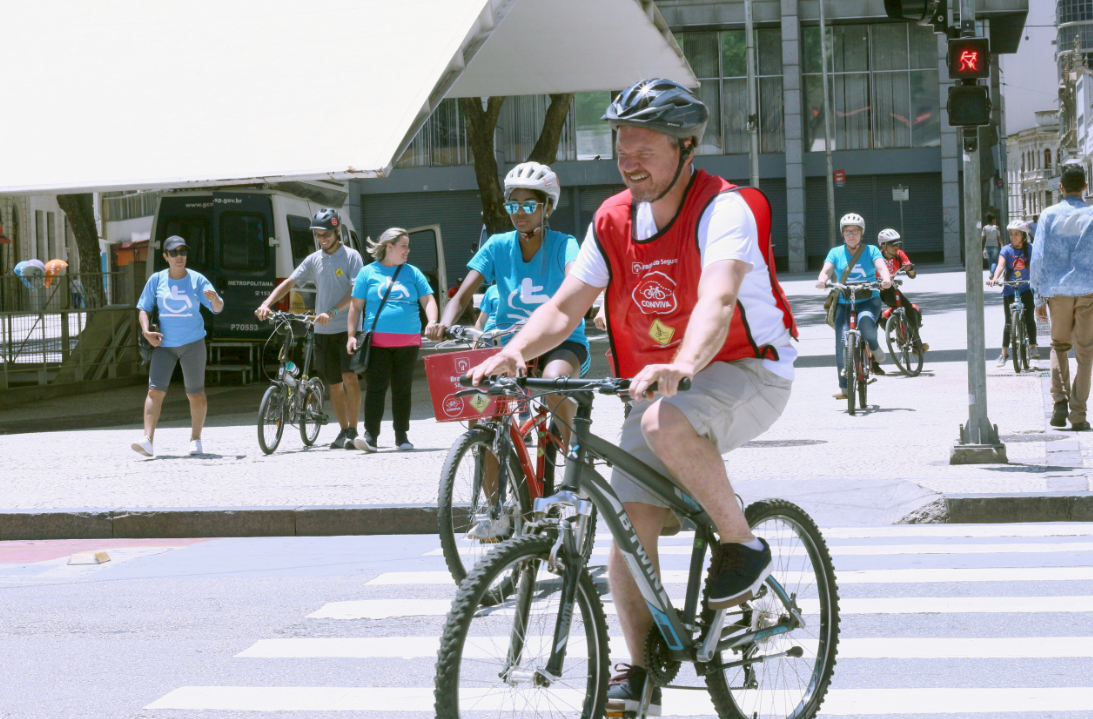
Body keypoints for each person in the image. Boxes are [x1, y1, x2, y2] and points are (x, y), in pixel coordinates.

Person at [464, 78, 798, 716]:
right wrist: (513, 351)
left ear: (686, 147)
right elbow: (565, 306)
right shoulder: (612, 219)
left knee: (666, 423)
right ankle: (639, 670)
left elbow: (718, 299)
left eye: (645, 146)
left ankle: (743, 543)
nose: (629, 158)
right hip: (660, 388)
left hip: (748, 368)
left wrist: (681, 363)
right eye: (622, 144)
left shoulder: (724, 209)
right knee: (628, 524)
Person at [429, 161, 591, 537]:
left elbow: (574, 282)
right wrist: (444, 321)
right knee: (481, 412)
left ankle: (576, 466)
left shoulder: (564, 244)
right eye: (513, 205)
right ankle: (499, 510)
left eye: (529, 205)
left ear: (547, 207)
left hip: (559, 340)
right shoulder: (497, 245)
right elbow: (464, 291)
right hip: (509, 345)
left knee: (553, 383)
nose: (520, 213)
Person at [256, 208, 364, 448]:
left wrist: (333, 311)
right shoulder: (314, 259)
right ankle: (343, 430)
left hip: (348, 328)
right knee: (334, 383)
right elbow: (289, 282)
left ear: (337, 232)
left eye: (326, 234)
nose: (322, 239)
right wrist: (266, 303)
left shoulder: (352, 256)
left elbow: (356, 292)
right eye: (318, 235)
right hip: (323, 331)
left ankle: (354, 431)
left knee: (349, 378)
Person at [346, 228, 438, 452]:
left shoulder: (413, 272)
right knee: (376, 388)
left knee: (402, 389)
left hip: (408, 341)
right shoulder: (368, 273)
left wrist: (432, 321)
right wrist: (350, 335)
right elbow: (355, 306)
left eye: (407, 246)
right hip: (377, 342)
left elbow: (428, 300)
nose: (408, 250)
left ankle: (402, 437)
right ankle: (371, 437)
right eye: (403, 246)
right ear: (389, 247)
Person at [132, 235, 224, 457]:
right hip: (164, 345)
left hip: (192, 343)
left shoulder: (197, 280)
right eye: (173, 252)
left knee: (196, 394)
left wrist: (214, 300)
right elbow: (143, 309)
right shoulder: (156, 279)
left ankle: (196, 439)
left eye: (182, 251)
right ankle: (147, 440)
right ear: (165, 256)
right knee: (154, 392)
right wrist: (146, 332)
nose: (179, 256)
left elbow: (218, 308)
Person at [1031, 163, 1093, 431]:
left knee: (1058, 345)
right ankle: (1078, 414)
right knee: (1086, 353)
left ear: (1060, 187)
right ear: (1085, 187)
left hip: (1056, 291)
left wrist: (1038, 296)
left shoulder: (1048, 215)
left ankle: (1059, 403)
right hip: (1088, 290)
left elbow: (1038, 257)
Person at [816, 213, 893, 395]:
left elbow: (881, 267)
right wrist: (821, 279)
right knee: (842, 341)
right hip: (844, 301)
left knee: (866, 322)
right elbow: (826, 270)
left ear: (862, 232)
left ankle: (873, 346)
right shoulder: (835, 252)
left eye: (855, 231)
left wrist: (886, 279)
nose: (852, 234)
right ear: (842, 234)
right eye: (848, 231)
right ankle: (845, 388)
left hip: (868, 298)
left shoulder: (872, 250)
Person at [988, 220, 1038, 368]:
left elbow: (1037, 266)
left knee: (1029, 317)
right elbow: (1000, 266)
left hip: (1026, 288)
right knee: (1009, 322)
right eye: (1011, 234)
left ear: (1023, 235)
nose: (1013, 237)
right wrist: (995, 278)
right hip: (1010, 289)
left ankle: (1033, 347)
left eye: (1016, 234)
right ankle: (1004, 354)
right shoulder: (1006, 250)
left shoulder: (1031, 248)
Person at [877, 229, 928, 351]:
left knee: (911, 310)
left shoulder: (899, 254)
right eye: (892, 244)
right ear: (883, 245)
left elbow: (912, 275)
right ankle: (884, 319)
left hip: (890, 288)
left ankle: (916, 345)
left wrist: (909, 269)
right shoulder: (877, 257)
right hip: (875, 289)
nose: (896, 247)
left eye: (897, 244)